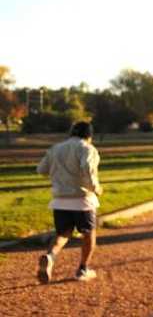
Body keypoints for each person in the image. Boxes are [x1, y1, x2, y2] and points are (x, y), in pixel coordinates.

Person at [35, 121, 102, 283]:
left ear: (71, 133)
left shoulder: (56, 148)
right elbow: (87, 169)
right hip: (82, 200)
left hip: (60, 200)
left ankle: (50, 257)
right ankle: (82, 269)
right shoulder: (88, 149)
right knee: (89, 234)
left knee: (63, 234)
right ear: (89, 135)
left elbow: (41, 169)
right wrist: (96, 188)